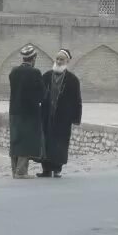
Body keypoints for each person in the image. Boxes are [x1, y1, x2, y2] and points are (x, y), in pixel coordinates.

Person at [38, 49, 82, 178]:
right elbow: (39, 95)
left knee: (60, 142)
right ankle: (46, 169)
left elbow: (77, 100)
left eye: (61, 59)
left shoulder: (73, 80)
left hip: (63, 118)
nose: (58, 61)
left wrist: (76, 118)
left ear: (67, 61)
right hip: (46, 115)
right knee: (46, 141)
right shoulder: (46, 76)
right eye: (57, 59)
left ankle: (57, 168)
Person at [8, 45, 46, 179]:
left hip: (14, 112)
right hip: (29, 113)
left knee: (16, 140)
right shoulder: (35, 72)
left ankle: (14, 170)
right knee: (26, 141)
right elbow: (42, 95)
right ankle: (21, 172)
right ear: (34, 58)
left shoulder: (13, 72)